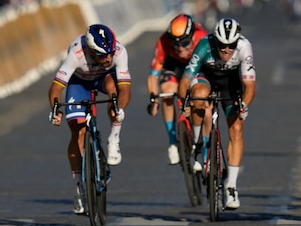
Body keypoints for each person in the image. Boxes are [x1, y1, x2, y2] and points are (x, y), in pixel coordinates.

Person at [48, 24, 131, 215]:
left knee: (114, 94)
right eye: (103, 55)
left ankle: (114, 139)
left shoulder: (119, 52)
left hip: (104, 79)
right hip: (79, 83)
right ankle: (79, 190)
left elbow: (126, 89)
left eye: (110, 53)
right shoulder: (76, 54)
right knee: (78, 130)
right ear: (91, 51)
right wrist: (55, 109)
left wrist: (120, 109)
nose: (109, 58)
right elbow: (56, 87)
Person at [178, 17, 256, 210]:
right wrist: (184, 102)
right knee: (198, 97)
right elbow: (185, 81)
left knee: (236, 128)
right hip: (206, 78)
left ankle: (231, 186)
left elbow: (249, 85)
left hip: (231, 84)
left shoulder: (244, 47)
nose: (227, 50)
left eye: (231, 46)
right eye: (222, 46)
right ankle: (196, 143)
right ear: (215, 41)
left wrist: (244, 106)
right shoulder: (204, 45)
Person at [147, 13, 208, 164]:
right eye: (176, 43)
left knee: (203, 100)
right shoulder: (163, 42)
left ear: (192, 36)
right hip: (174, 66)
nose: (180, 48)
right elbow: (153, 75)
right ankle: (173, 142)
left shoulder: (202, 38)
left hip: (196, 65)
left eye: (185, 43)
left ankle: (206, 145)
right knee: (167, 92)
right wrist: (154, 100)